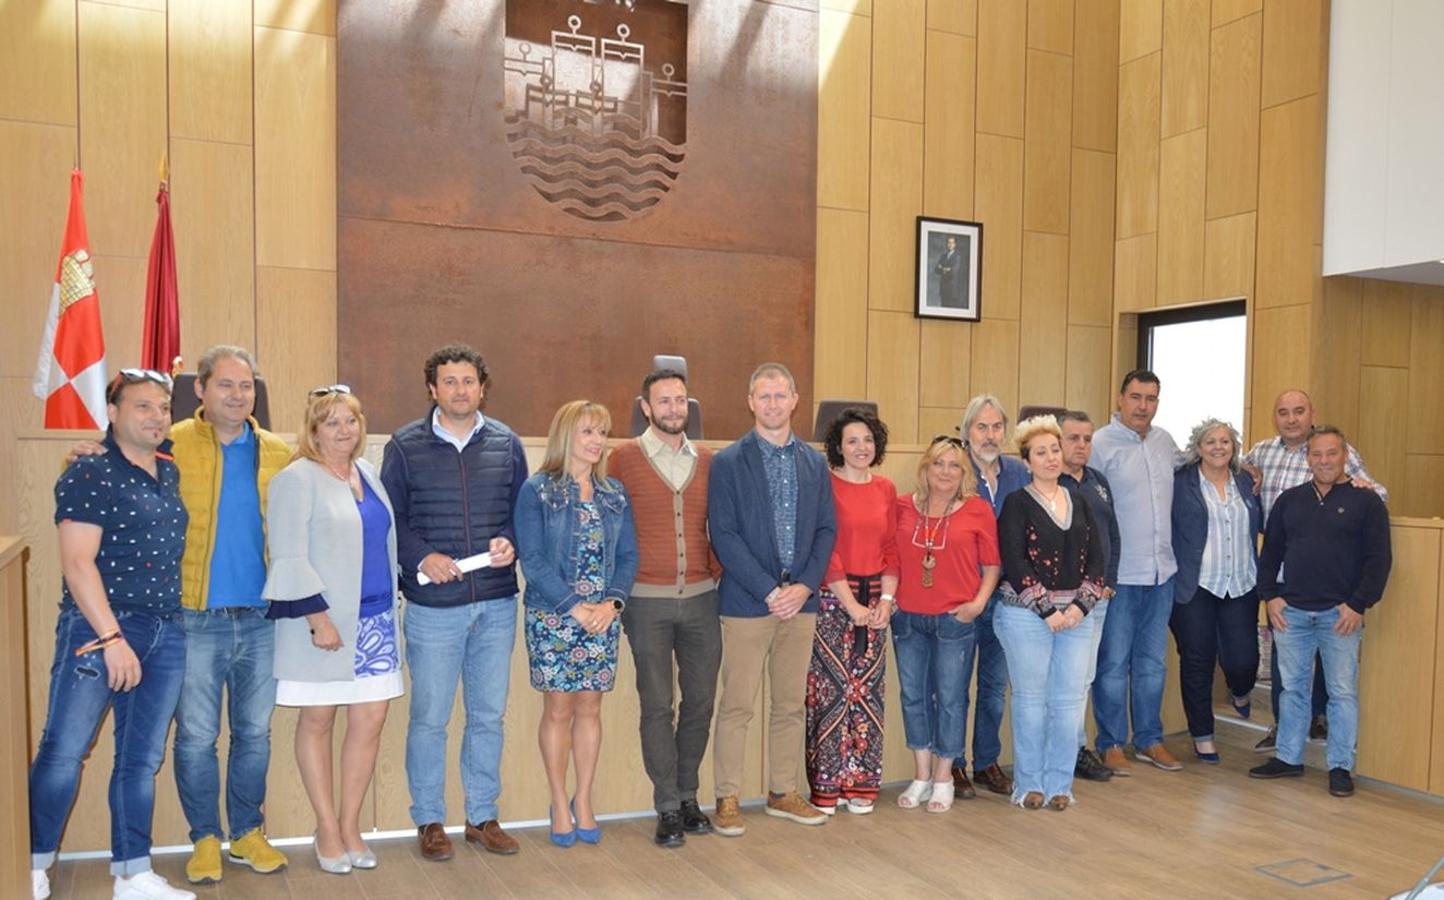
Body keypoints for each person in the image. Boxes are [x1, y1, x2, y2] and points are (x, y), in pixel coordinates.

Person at [31, 369, 194, 900]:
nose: (155, 416)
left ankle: (132, 872)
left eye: (163, 407)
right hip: (101, 630)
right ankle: (29, 865)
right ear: (113, 414)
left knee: (141, 759)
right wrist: (111, 639)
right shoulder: (90, 472)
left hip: (166, 631)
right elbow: (78, 564)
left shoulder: (166, 467)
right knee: (64, 750)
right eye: (142, 407)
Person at [380, 345, 528, 861]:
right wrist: (421, 557)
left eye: (468, 381)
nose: (460, 389)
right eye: (449, 381)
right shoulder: (404, 446)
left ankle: (482, 816)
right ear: (432, 389)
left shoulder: (507, 443)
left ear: (482, 387)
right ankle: (429, 819)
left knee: (488, 715)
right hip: (432, 606)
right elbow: (390, 517)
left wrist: (512, 541)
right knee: (430, 717)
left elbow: (521, 512)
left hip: (495, 602)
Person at [263, 386, 402, 874]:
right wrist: (318, 619)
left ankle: (350, 826)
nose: (345, 430)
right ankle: (325, 828)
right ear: (314, 430)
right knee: (318, 723)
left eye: (351, 421)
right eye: (333, 422)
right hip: (320, 624)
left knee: (369, 724)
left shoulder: (366, 473)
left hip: (376, 623)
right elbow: (287, 555)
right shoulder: (296, 479)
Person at [708, 362, 837, 836]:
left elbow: (827, 529)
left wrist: (803, 586)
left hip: (801, 604)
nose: (773, 404)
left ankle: (783, 792)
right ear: (750, 402)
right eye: (764, 396)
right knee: (737, 704)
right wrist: (768, 589)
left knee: (789, 705)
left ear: (795, 400)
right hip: (747, 603)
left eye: (781, 395)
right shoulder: (726, 462)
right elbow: (723, 534)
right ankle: (727, 797)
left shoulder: (814, 462)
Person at [515, 400, 639, 846]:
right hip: (554, 618)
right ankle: (557, 799)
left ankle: (583, 800)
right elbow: (531, 559)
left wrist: (612, 605)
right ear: (566, 436)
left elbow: (627, 558)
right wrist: (574, 606)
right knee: (559, 710)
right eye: (587, 432)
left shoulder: (614, 493)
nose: (596, 442)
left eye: (602, 433)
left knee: (590, 708)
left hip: (603, 620)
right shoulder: (538, 491)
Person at [609, 369, 721, 847]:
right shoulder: (623, 459)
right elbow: (611, 529)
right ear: (646, 406)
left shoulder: (711, 461)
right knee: (658, 706)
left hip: (701, 601)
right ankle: (667, 805)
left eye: (681, 400)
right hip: (645, 603)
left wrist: (715, 570)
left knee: (699, 703)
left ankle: (691, 795)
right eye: (664, 401)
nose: (674, 409)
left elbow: (722, 524)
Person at [1243, 389, 1388, 752]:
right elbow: (1271, 550)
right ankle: (1287, 750)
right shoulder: (1269, 465)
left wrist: (1358, 603)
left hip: (1338, 603)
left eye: (1298, 411)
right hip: (1287, 597)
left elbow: (1378, 549)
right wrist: (1270, 596)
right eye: (1283, 412)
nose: (1324, 460)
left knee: (1339, 688)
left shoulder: (1356, 484)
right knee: (1288, 682)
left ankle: (1336, 757)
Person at [995, 416, 1105, 811]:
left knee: (1069, 702)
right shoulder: (1016, 503)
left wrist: (1079, 607)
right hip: (1026, 618)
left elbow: (1098, 558)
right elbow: (1015, 560)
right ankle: (1029, 786)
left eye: (1055, 450)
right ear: (1026, 461)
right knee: (1030, 700)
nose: (1050, 458)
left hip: (1078, 617)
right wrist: (1046, 610)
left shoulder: (1082, 500)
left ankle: (1061, 786)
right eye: (1040, 452)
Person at [892, 435, 1001, 813]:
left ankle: (944, 776)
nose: (946, 472)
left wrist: (978, 603)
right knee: (913, 697)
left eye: (955, 465)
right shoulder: (903, 506)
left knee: (952, 700)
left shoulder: (977, 510)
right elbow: (890, 556)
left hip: (956, 619)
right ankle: (921, 775)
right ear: (925, 467)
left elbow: (992, 565)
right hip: (907, 618)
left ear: (964, 472)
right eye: (939, 463)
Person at [804, 407, 899, 815]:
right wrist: (851, 605)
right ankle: (826, 786)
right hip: (832, 600)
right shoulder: (824, 485)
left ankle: (861, 782)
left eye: (867, 440)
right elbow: (826, 550)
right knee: (829, 696)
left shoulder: (886, 488)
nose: (861, 447)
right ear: (837, 447)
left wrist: (885, 602)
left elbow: (893, 549)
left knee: (867, 697)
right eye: (852, 441)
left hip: (876, 600)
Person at [1089, 370, 1183, 775]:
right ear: (1120, 398)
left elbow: (1202, 466)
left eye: (1151, 398)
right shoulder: (1100, 445)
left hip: (1163, 572)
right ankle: (1111, 742)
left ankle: (1149, 739)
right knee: (1112, 663)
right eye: (1136, 397)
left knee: (1152, 663)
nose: (1143, 405)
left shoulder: (1165, 442)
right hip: (1121, 576)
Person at [1169, 419, 1263, 764]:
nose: (1218, 447)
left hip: (1241, 583)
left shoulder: (1246, 481)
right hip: (1196, 585)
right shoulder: (1181, 482)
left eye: (1225, 441)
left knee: (1244, 660)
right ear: (1198, 447)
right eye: (1210, 441)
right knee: (1197, 661)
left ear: (1234, 447)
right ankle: (1202, 734)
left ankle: (1240, 691)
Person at [950, 395, 1026, 799]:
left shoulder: (1018, 472)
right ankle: (955, 764)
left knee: (995, 687)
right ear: (967, 432)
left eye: (997, 427)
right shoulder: (952, 469)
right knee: (956, 687)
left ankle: (986, 762)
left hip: (1007, 597)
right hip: (963, 595)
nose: (990, 435)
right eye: (982, 427)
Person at [1056, 410, 1120, 783]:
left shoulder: (1098, 482)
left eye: (1086, 438)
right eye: (1073, 438)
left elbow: (1114, 533)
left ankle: (1078, 747)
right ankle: (1067, 749)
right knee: (1065, 679)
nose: (1081, 445)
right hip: (1063, 600)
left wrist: (1110, 579)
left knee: (1086, 676)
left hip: (1099, 596)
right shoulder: (1051, 482)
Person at [934, 235, 967, 309]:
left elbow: (954, 271)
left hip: (952, 289)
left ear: (955, 245)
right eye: (949, 243)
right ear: (947, 244)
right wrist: (946, 269)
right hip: (943, 288)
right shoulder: (943, 256)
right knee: (943, 307)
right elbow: (936, 269)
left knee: (950, 308)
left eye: (952, 243)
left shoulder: (957, 257)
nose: (950, 245)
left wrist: (942, 268)